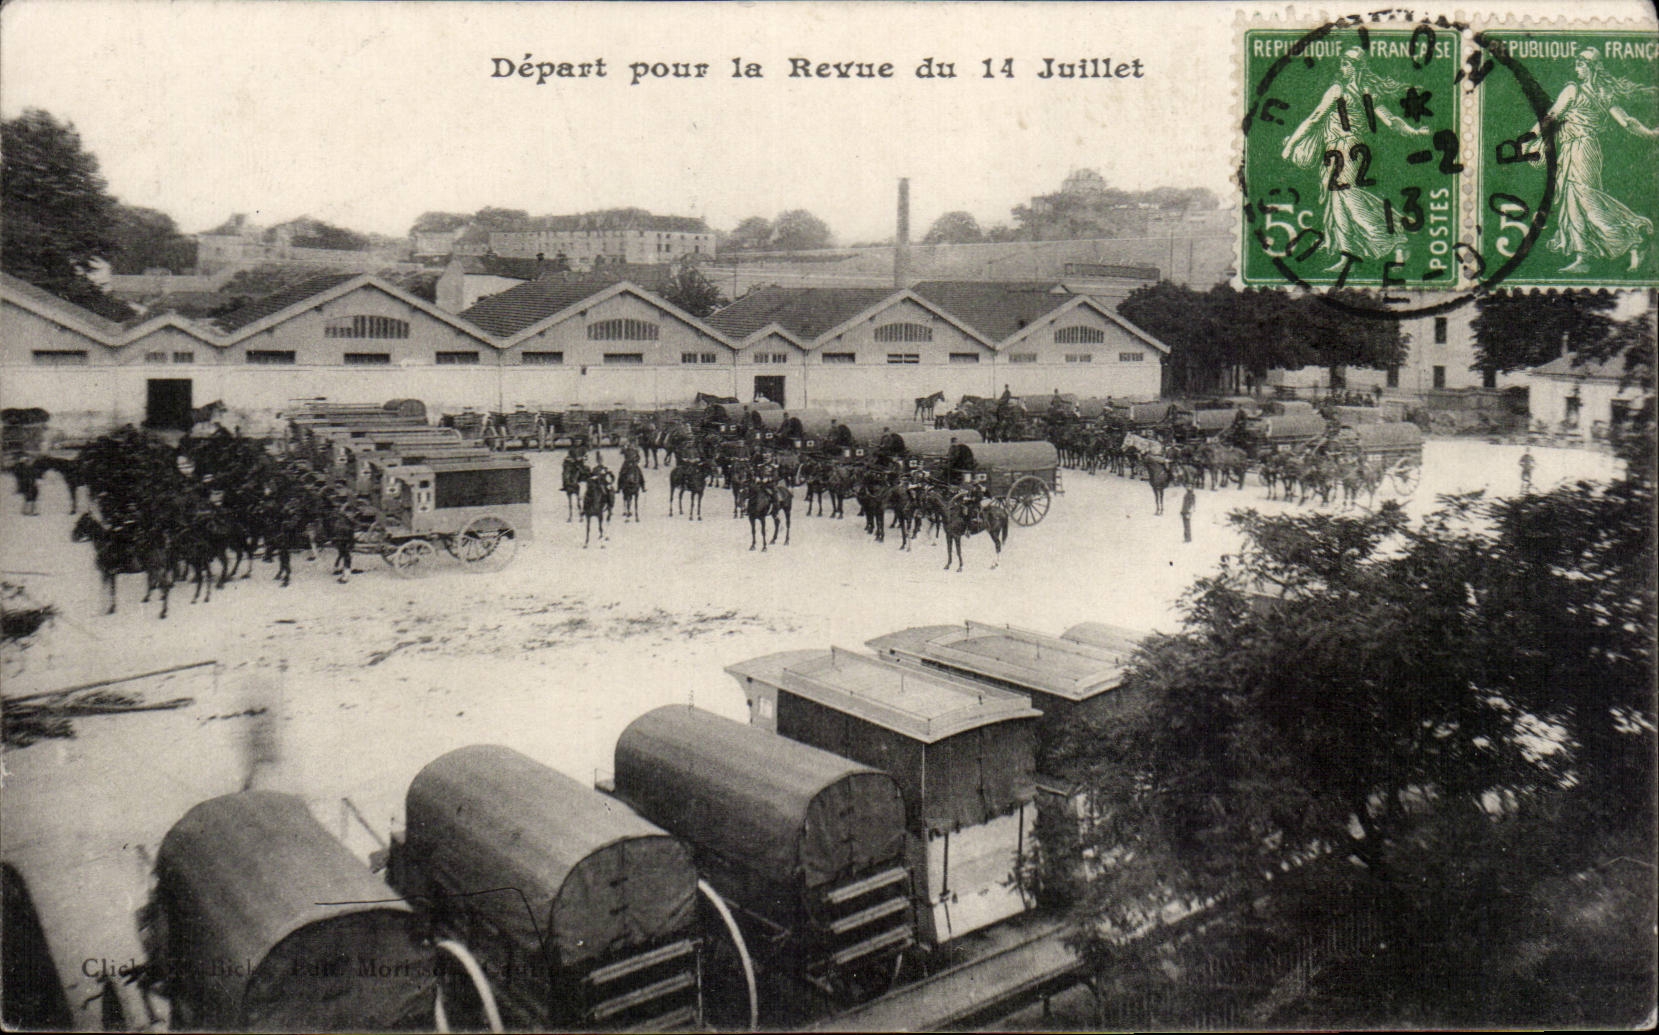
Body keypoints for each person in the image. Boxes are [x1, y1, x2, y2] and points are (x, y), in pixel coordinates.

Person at [1280, 47, 1433, 270]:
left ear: (1354, 68)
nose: (1341, 68)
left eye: (1346, 64)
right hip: (1345, 150)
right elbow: (1391, 121)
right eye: (1342, 63)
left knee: (1348, 196)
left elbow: (1314, 118)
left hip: (1345, 149)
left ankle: (1397, 237)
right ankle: (1347, 255)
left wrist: (1291, 145)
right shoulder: (1366, 92)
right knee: (1338, 199)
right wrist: (1413, 131)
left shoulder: (1338, 90)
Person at [1527, 48, 1658, 272]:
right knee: (1573, 200)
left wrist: (1526, 139)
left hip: (1581, 148)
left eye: (1580, 65)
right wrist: (1651, 133)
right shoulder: (1605, 94)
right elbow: (1627, 122)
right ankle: (1583, 257)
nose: (1576, 69)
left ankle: (1634, 236)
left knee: (1585, 198)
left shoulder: (1573, 89)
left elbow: (1551, 117)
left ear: (1590, 68)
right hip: (1578, 149)